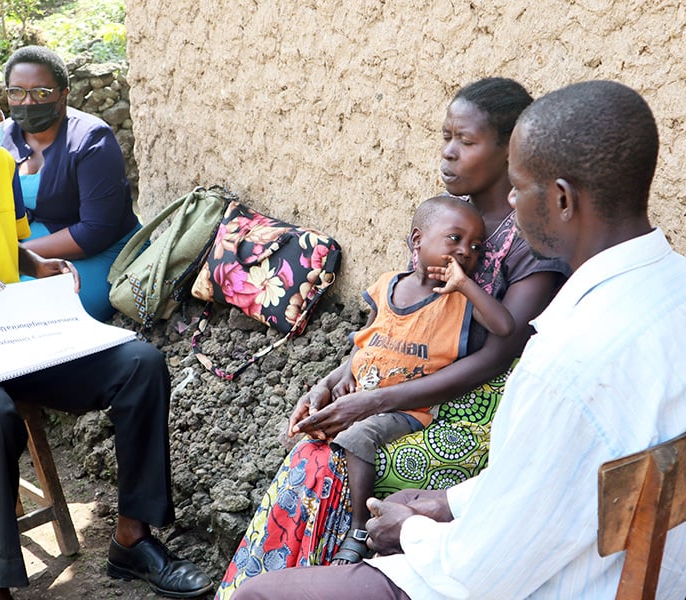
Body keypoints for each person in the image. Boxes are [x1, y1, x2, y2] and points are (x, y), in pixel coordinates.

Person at [231, 80, 686, 599]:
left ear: (562, 199)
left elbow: (487, 569)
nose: (512, 199)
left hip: (541, 583)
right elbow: (545, 484)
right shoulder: (672, 292)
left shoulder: (563, 363)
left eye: (520, 186)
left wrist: (410, 532)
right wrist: (450, 502)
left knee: (259, 595)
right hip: (633, 569)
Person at [0, 43, 211, 600]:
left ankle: (132, 538)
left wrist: (37, 265)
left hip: (8, 335)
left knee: (140, 363)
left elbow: (2, 244)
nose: (1, 117)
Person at [320, 195, 514, 565]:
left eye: (475, 247)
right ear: (417, 240)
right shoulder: (387, 285)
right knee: (315, 428)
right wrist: (344, 376)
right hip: (365, 391)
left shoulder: (459, 301)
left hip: (408, 409)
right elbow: (366, 339)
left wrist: (465, 285)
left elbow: (504, 326)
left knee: (359, 437)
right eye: (455, 239)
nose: (466, 251)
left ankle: (359, 527)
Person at [2, 45, 141, 322]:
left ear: (64, 94)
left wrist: (13, 254)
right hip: (34, 242)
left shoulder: (91, 139)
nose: (28, 102)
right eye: (17, 92)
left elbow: (95, 231)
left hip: (102, 250)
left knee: (31, 308)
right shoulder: (3, 138)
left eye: (41, 93)